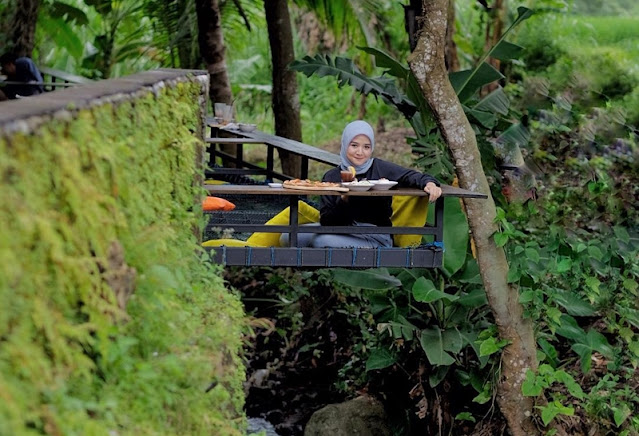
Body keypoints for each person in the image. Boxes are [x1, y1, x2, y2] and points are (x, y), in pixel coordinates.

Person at [281, 120, 442, 248]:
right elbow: (327, 221)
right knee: (288, 236)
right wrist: (344, 199)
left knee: (321, 241)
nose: (360, 152)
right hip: (341, 230)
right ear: (344, 146)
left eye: (366, 147)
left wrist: (430, 183)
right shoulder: (332, 176)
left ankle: (329, 252)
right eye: (354, 145)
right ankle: (312, 269)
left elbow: (410, 176)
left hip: (375, 236)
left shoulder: (379, 168)